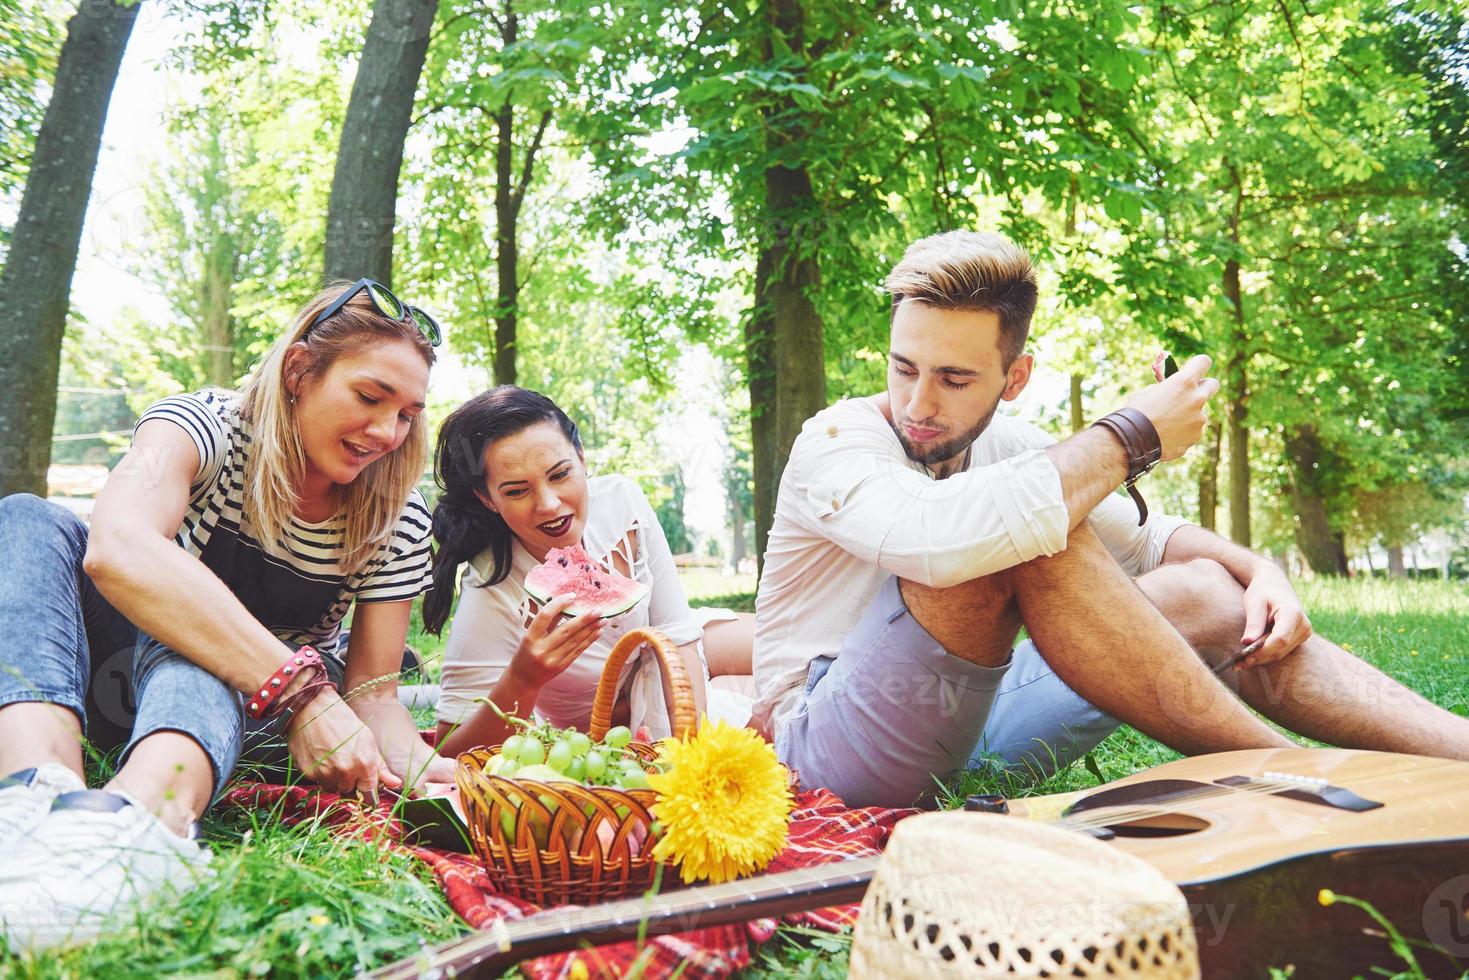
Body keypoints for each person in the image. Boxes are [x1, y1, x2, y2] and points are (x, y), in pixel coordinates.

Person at [752, 230, 1469, 809]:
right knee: (1026, 533)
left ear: (1016, 378)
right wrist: (1130, 435)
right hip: (821, 745)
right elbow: (938, 542)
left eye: (954, 378)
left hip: (976, 719)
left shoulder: (1008, 448)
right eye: (903, 367)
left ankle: (1457, 753)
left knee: (1206, 594)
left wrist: (1259, 570)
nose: (917, 402)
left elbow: (1151, 540)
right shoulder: (835, 442)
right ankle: (1293, 780)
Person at [0, 279, 455, 951]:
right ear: (299, 371)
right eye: (369, 398)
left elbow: (373, 696)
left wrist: (417, 764)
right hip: (128, 671)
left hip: (241, 718)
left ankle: (133, 822)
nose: (387, 432)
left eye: (408, 414)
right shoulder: (200, 424)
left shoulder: (400, 515)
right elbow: (119, 546)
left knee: (202, 641)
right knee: (26, 519)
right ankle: (34, 791)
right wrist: (300, 687)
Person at [424, 386, 751, 758]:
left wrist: (693, 757)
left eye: (560, 474)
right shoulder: (491, 586)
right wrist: (523, 679)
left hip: (660, 662)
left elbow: (677, 634)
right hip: (601, 734)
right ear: (488, 500)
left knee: (789, 650)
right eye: (516, 491)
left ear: (581, 458)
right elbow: (450, 750)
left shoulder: (622, 502)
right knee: (763, 706)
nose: (549, 505)